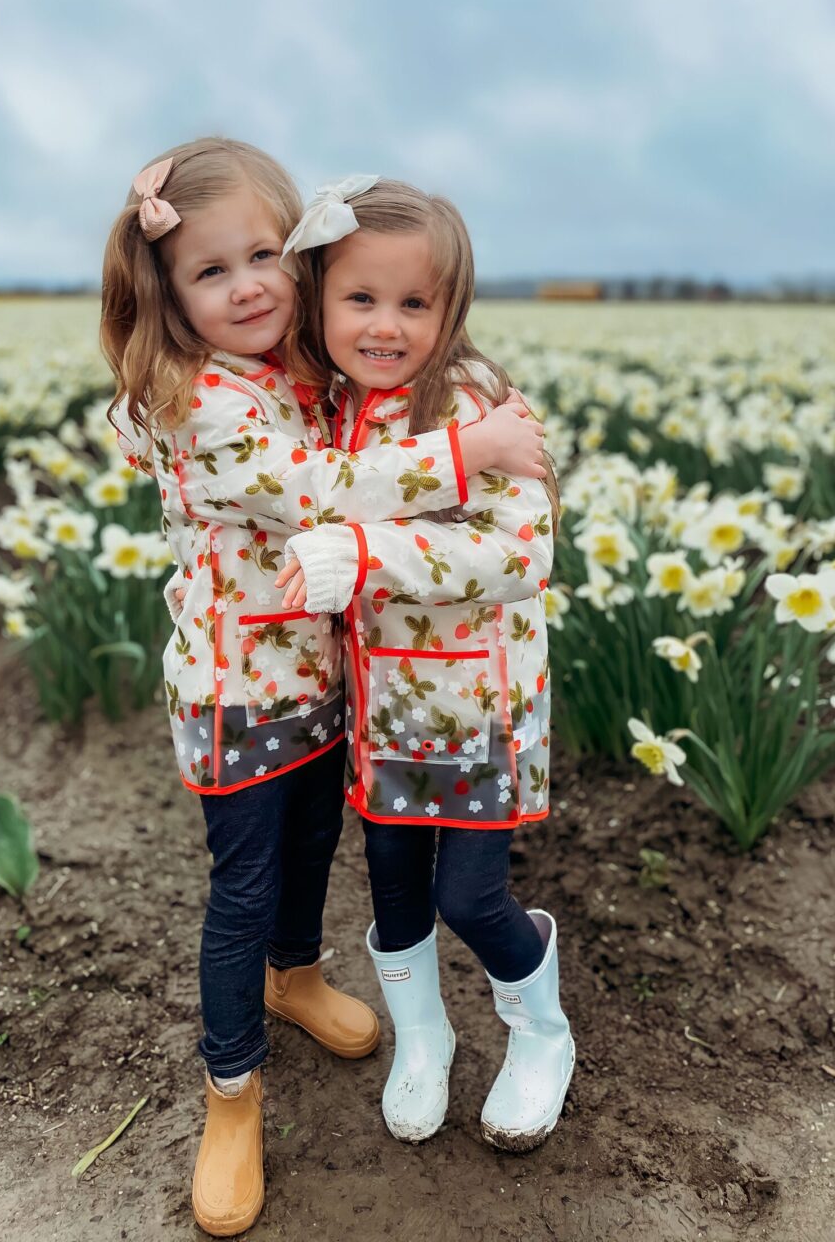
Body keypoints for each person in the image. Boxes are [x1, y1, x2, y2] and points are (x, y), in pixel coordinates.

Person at [100, 142, 546, 1234]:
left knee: (306, 856)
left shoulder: (300, 369)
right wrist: (468, 450)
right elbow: (317, 486)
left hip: (325, 684)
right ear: (167, 291)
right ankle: (232, 1096)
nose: (248, 284)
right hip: (234, 693)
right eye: (210, 271)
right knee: (242, 891)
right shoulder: (202, 398)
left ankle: (294, 979)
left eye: (264, 253)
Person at [277, 176, 575, 1154]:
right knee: (395, 888)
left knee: (470, 897)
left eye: (416, 303)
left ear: (454, 309)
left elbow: (519, 556)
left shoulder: (478, 405)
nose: (387, 325)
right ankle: (424, 1039)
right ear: (320, 300)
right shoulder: (328, 412)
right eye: (362, 299)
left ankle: (540, 1033)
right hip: (381, 710)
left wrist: (368, 555)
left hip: (478, 705)